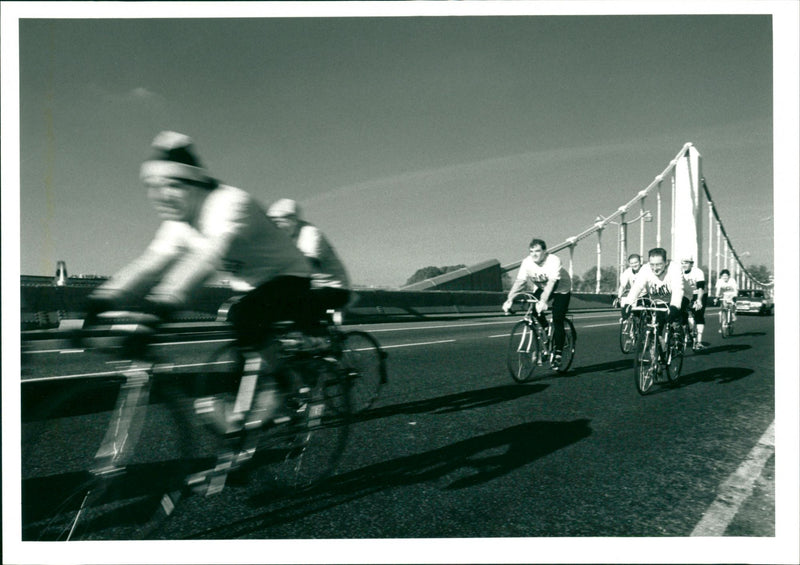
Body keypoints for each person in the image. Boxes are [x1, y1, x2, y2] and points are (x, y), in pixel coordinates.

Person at [87, 131, 313, 433]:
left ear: (194, 184)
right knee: (243, 339)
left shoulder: (229, 203)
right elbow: (148, 265)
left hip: (290, 275)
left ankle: (285, 384)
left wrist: (159, 310)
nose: (159, 196)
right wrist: (98, 302)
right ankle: (243, 424)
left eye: (170, 187)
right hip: (250, 284)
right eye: (152, 187)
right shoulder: (178, 222)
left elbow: (207, 259)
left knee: (247, 316)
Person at [267, 198, 351, 320]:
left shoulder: (309, 233)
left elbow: (308, 264)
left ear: (293, 220)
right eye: (272, 221)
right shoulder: (281, 237)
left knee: (298, 306)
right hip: (310, 287)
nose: (275, 225)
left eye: (279, 220)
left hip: (334, 288)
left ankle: (314, 336)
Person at [502, 238, 572, 364]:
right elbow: (520, 282)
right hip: (543, 287)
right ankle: (545, 328)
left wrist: (543, 301)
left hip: (561, 289)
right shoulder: (527, 262)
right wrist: (509, 299)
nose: (534, 254)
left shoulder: (553, 260)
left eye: (538, 251)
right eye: (531, 251)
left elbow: (552, 283)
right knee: (534, 311)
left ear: (545, 251)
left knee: (557, 319)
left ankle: (558, 353)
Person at [620, 247, 687, 334]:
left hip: (678, 298)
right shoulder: (645, 269)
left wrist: (674, 307)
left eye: (659, 264)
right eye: (652, 264)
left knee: (674, 321)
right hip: (657, 300)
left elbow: (677, 290)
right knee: (656, 329)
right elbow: (637, 287)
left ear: (666, 262)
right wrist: (628, 304)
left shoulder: (674, 268)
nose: (655, 269)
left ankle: (678, 334)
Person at [680, 255, 707, 350]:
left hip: (698, 293)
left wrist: (699, 300)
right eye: (682, 263)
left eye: (686, 263)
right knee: (680, 312)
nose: (684, 265)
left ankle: (699, 341)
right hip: (686, 294)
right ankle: (685, 331)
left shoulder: (698, 272)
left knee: (698, 313)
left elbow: (700, 288)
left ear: (692, 264)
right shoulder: (679, 272)